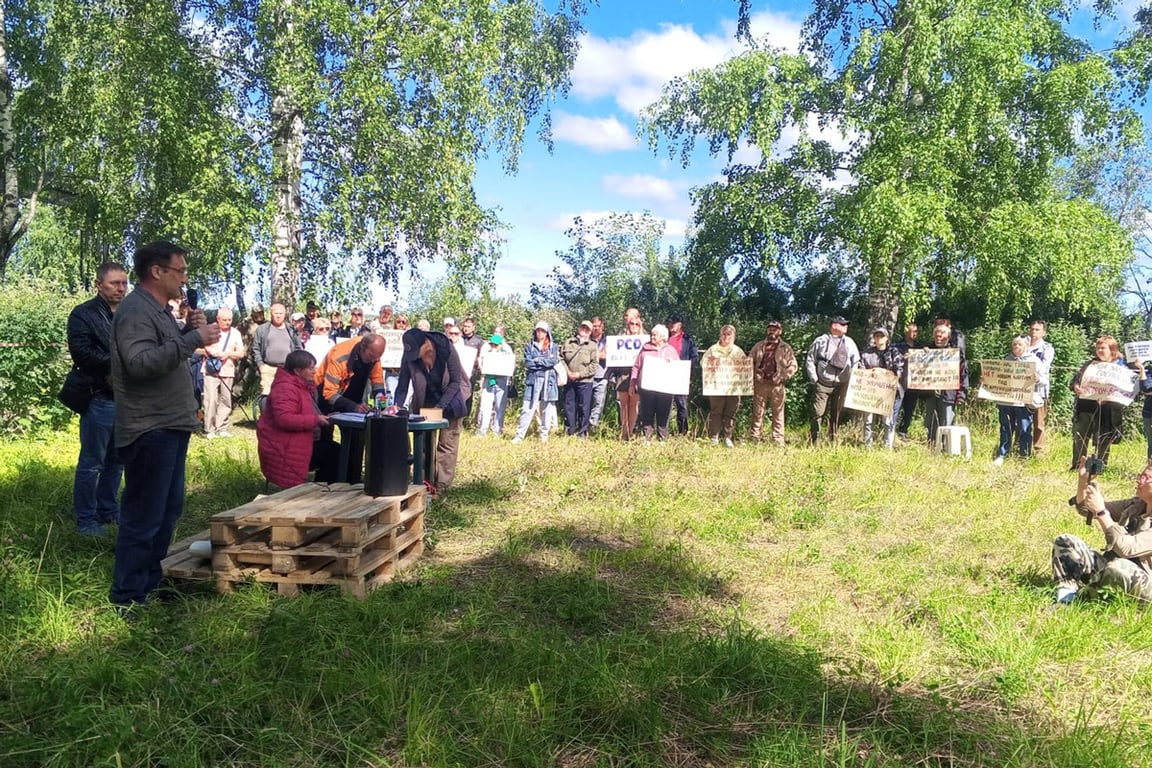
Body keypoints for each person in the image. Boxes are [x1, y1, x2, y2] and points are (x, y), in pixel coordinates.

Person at [108, 241, 221, 614]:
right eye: (180, 270)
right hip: (149, 427)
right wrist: (193, 340)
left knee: (167, 511)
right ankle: (127, 597)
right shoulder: (136, 310)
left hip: (169, 424)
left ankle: (149, 584)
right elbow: (140, 363)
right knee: (144, 515)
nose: (184, 278)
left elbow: (164, 352)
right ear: (157, 272)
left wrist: (186, 331)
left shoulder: (158, 311)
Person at [65, 261, 128, 535]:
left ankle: (108, 510)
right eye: (115, 283)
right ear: (99, 285)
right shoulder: (83, 313)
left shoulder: (129, 313)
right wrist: (120, 362)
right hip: (98, 396)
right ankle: (86, 519)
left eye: (124, 283)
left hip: (125, 398)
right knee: (92, 462)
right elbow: (81, 353)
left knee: (117, 460)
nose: (121, 288)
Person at [1052, 458, 1152, 603]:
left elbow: (1127, 548)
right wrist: (1084, 483)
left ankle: (1081, 600)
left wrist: (1101, 512)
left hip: (1144, 584)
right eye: (1141, 475)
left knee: (1118, 567)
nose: (1139, 480)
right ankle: (1066, 596)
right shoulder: (1136, 505)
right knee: (1066, 542)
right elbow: (1086, 509)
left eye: (1146, 477)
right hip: (1113, 568)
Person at [395, 328, 469, 491]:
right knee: (424, 444)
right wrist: (397, 405)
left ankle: (442, 486)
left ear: (426, 344)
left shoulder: (446, 348)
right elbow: (402, 385)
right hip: (425, 401)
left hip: (450, 400)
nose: (414, 357)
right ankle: (424, 484)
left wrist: (439, 408)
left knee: (447, 444)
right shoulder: (409, 355)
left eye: (416, 352)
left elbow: (456, 381)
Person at [257, 350, 337, 488]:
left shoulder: (300, 385)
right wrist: (315, 420)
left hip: (297, 439)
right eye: (310, 368)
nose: (314, 371)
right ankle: (324, 490)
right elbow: (284, 419)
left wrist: (325, 417)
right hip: (283, 446)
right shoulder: (285, 388)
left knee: (336, 450)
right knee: (336, 453)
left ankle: (326, 488)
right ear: (298, 371)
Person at [1070, 336, 1137, 472]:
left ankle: (1098, 468)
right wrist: (1076, 386)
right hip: (1086, 406)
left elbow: (1130, 388)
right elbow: (1075, 381)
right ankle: (1078, 466)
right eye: (1098, 348)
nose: (1099, 351)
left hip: (1108, 409)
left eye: (1103, 348)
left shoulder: (1122, 367)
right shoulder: (1090, 364)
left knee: (1103, 439)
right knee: (1080, 435)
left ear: (1112, 349)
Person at [805, 315, 860, 444]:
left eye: (846, 324)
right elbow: (810, 359)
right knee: (818, 413)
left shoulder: (849, 342)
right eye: (843, 324)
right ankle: (814, 440)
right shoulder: (821, 341)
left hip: (841, 384)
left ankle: (833, 440)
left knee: (836, 413)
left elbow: (856, 361)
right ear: (834, 326)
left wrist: (852, 379)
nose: (846, 326)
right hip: (823, 383)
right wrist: (814, 378)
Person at [993, 336, 1046, 465]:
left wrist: (1038, 379)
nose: (1017, 347)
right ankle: (1003, 454)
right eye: (1014, 345)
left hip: (1024, 402)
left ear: (1026, 347)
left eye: (1020, 345)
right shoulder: (1007, 360)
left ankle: (1024, 455)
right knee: (1005, 427)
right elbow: (999, 378)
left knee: (1024, 427)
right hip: (1007, 401)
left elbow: (1045, 380)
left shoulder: (1034, 361)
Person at [748, 320, 798, 445]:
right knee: (757, 412)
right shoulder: (759, 346)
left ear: (780, 331)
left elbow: (793, 365)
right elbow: (748, 362)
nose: (772, 331)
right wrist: (755, 374)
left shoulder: (785, 348)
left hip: (777, 385)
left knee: (778, 413)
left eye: (775, 329)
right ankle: (755, 438)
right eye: (770, 329)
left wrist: (783, 376)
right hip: (760, 384)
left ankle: (778, 439)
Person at [200, 306, 246, 439]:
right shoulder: (209, 330)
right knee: (211, 399)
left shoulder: (235, 333)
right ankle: (209, 428)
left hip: (228, 370)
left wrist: (228, 354)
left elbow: (241, 353)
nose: (227, 322)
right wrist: (210, 352)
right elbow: (196, 348)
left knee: (226, 400)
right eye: (224, 320)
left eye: (229, 320)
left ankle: (222, 427)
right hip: (210, 370)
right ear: (217, 319)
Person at [314, 334, 388, 414]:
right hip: (324, 393)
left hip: (351, 391)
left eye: (378, 357)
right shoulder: (339, 357)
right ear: (362, 347)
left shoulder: (374, 354)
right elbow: (329, 393)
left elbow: (377, 382)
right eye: (371, 356)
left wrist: (383, 406)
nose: (373, 361)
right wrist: (353, 406)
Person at [921, 323, 969, 445]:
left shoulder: (955, 354)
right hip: (930, 394)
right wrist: (922, 354)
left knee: (947, 422)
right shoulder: (928, 351)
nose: (938, 339)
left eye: (941, 337)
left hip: (948, 394)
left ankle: (946, 448)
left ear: (948, 337)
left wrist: (962, 394)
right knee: (930, 422)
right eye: (936, 336)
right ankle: (932, 447)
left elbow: (963, 374)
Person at [512, 321, 559, 444]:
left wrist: (537, 360)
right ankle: (519, 436)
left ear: (547, 332)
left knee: (547, 409)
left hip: (549, 381)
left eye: (543, 331)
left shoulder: (553, 346)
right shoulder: (530, 346)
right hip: (532, 381)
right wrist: (543, 362)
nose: (540, 333)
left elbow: (553, 361)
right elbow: (529, 363)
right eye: (538, 330)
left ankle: (544, 435)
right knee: (527, 408)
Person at [632, 323, 680, 441]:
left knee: (663, 414)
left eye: (655, 335)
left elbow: (678, 367)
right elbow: (636, 366)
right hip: (646, 389)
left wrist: (671, 363)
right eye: (652, 335)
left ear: (663, 337)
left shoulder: (671, 351)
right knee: (647, 413)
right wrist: (633, 383)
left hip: (665, 389)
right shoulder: (645, 349)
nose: (652, 337)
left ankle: (662, 438)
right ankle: (647, 438)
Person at [859, 327, 904, 450]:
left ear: (887, 338)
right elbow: (860, 371)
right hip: (870, 392)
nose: (879, 338)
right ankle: (867, 446)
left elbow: (899, 371)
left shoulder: (894, 352)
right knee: (868, 420)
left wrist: (882, 371)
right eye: (877, 336)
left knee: (887, 421)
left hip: (888, 392)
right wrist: (871, 372)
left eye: (881, 336)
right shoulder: (867, 354)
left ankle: (887, 447)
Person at [703, 324, 745, 447]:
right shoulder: (712, 349)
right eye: (724, 334)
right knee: (716, 412)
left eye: (729, 334)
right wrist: (711, 364)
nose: (726, 336)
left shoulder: (738, 351)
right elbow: (703, 363)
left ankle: (727, 437)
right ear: (720, 335)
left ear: (734, 336)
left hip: (733, 387)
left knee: (730, 413)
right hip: (716, 386)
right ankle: (714, 437)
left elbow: (744, 367)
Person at [252, 303, 301, 396]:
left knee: (286, 396)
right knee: (267, 396)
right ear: (271, 314)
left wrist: (296, 366)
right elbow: (256, 348)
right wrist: (260, 365)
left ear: (285, 314)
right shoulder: (262, 329)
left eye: (281, 313)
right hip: (268, 369)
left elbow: (298, 347)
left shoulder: (292, 329)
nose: (278, 316)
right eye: (276, 313)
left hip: (287, 369)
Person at [611, 308, 645, 440]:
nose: (634, 326)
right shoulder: (621, 336)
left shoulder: (645, 339)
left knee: (634, 404)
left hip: (637, 375)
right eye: (631, 323)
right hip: (623, 373)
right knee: (623, 404)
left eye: (636, 323)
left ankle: (630, 432)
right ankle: (623, 432)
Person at [561, 320, 599, 437]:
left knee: (584, 407)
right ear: (579, 328)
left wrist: (579, 374)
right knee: (569, 406)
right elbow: (561, 358)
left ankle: (582, 432)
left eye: (587, 329)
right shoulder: (568, 342)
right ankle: (570, 431)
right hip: (569, 380)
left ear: (590, 332)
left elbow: (594, 365)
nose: (584, 330)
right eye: (583, 327)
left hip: (585, 381)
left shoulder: (593, 346)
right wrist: (567, 372)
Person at [666, 313, 700, 435]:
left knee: (682, 405)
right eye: (670, 322)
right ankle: (664, 433)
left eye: (674, 322)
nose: (671, 325)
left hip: (681, 376)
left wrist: (687, 370)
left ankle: (683, 432)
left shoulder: (687, 339)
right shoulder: (664, 338)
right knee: (665, 405)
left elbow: (694, 357)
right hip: (665, 376)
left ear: (680, 325)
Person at [477, 330, 514, 436]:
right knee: (485, 407)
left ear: (500, 344)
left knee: (500, 407)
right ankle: (482, 431)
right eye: (492, 344)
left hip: (502, 382)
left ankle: (497, 431)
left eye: (496, 344)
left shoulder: (507, 351)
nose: (494, 346)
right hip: (488, 380)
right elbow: (480, 363)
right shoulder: (486, 351)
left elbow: (510, 366)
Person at [1026, 320, 1055, 453]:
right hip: (1022, 389)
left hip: (1039, 389)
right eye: (1032, 329)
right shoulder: (1023, 344)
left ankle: (1039, 450)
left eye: (1037, 330)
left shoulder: (1046, 348)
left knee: (1038, 422)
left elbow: (1044, 367)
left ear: (1044, 332)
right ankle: (1021, 447)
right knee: (1021, 421)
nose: (1034, 332)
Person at [894, 322, 919, 439]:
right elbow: (892, 359)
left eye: (916, 331)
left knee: (909, 409)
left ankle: (903, 431)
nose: (914, 334)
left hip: (914, 382)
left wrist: (926, 352)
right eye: (911, 331)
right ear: (906, 332)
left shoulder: (919, 346)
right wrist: (903, 358)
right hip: (900, 381)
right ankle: (891, 430)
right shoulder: (897, 345)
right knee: (896, 407)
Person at [588, 316, 609, 430]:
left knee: (598, 403)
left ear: (602, 326)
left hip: (602, 376)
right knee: (585, 403)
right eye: (594, 326)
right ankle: (583, 426)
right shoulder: (586, 339)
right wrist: (600, 354)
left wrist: (591, 354)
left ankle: (593, 427)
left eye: (598, 326)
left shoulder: (608, 340)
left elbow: (607, 355)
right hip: (587, 376)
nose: (596, 328)